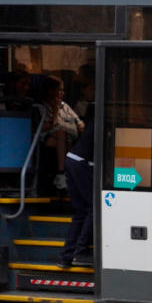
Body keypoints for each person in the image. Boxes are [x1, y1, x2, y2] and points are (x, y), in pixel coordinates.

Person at [57, 114, 95, 268]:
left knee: (81, 212)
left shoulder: (96, 118)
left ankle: (66, 256)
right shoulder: (108, 121)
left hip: (72, 159)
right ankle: (81, 252)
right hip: (82, 163)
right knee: (95, 208)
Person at [40, 76, 84, 192]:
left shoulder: (65, 106)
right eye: (59, 90)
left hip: (67, 138)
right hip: (49, 137)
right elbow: (49, 126)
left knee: (66, 139)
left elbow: (79, 122)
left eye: (63, 90)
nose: (62, 93)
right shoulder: (42, 106)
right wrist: (55, 110)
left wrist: (79, 125)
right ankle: (61, 173)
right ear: (50, 90)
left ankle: (65, 174)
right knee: (61, 134)